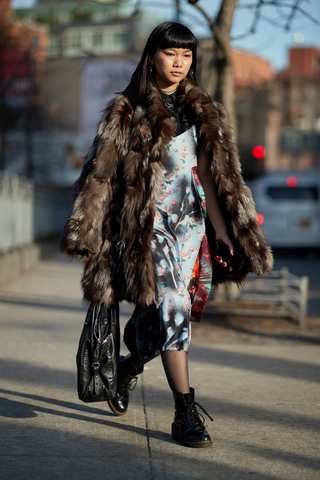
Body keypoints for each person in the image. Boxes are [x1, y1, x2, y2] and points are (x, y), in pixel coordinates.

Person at [60, 22, 273, 449]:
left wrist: (222, 230)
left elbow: (211, 178)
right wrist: (88, 231)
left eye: (186, 55)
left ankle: (129, 366)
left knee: (171, 313)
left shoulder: (204, 110)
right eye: (170, 53)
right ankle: (185, 411)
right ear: (152, 55)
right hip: (147, 225)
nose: (178, 63)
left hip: (191, 222)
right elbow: (99, 176)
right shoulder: (127, 108)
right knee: (174, 303)